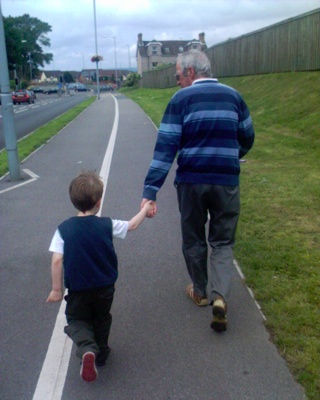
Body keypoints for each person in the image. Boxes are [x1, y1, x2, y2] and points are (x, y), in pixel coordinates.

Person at [141, 50, 255, 332]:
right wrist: (230, 155)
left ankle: (201, 292)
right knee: (222, 240)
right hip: (226, 181)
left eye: (178, 76)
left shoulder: (181, 100)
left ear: (190, 73)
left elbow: (166, 147)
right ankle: (220, 297)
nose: (177, 81)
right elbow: (247, 136)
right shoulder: (234, 96)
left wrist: (151, 189)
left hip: (192, 182)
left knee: (193, 237)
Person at [47, 171, 153, 382]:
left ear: (73, 201)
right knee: (102, 318)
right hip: (105, 287)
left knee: (77, 319)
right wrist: (146, 209)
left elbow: (57, 260)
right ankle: (101, 354)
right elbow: (132, 225)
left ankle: (87, 349)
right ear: (98, 202)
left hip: (78, 289)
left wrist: (57, 289)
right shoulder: (107, 224)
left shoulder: (63, 230)